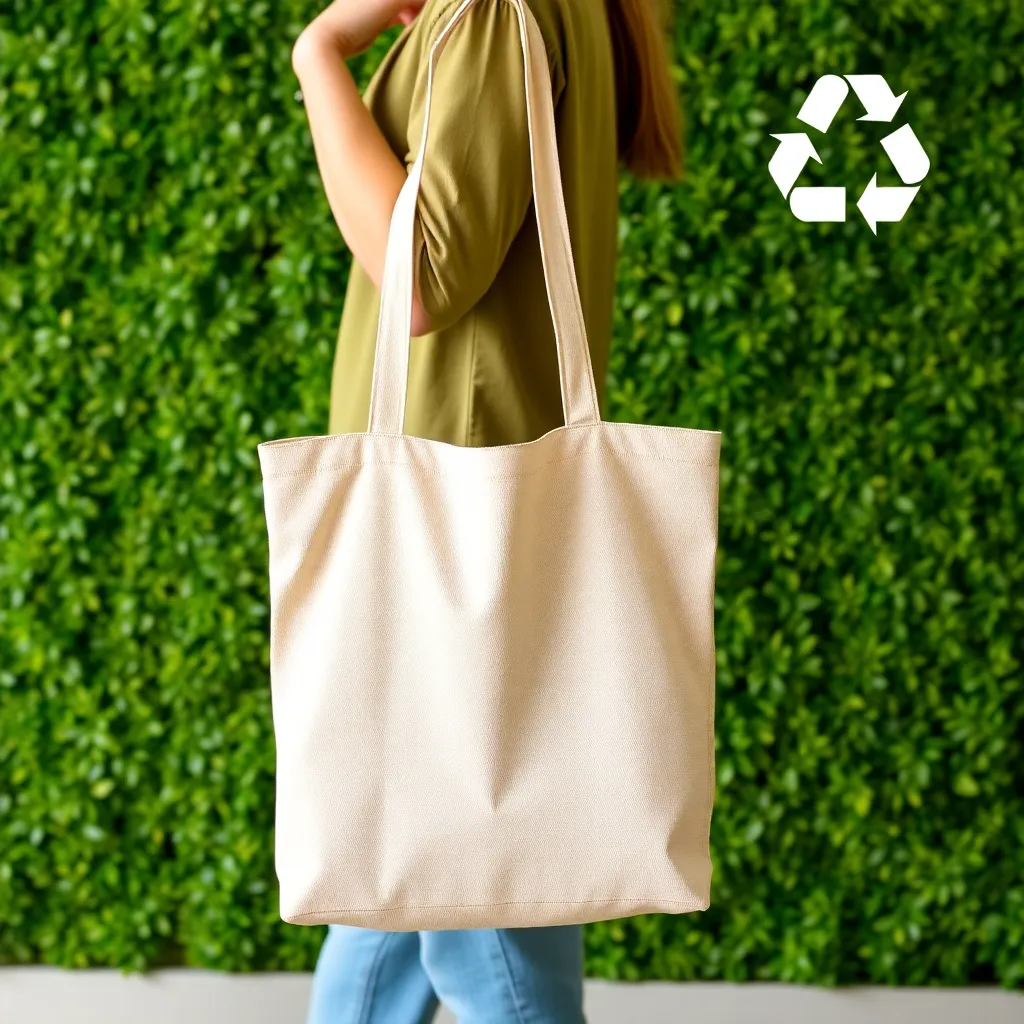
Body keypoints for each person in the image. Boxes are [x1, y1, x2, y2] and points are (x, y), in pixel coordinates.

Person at [289, 0, 683, 1020]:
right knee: (391, 899)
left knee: (489, 923)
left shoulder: (497, 10)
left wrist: (320, 53)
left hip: (453, 523)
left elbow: (419, 281)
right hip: (475, 499)